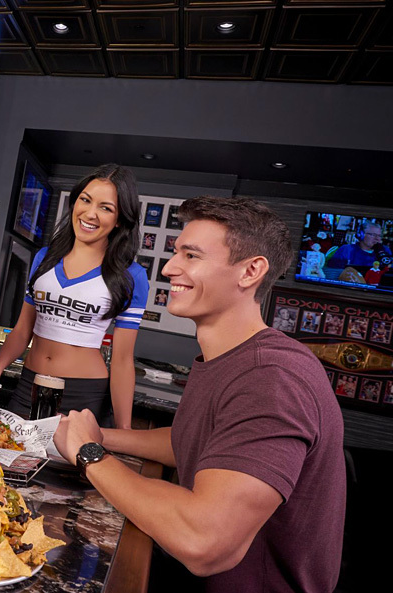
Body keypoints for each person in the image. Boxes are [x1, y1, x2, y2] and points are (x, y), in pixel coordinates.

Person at [54, 196, 346, 592]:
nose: (171, 267)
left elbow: (205, 542)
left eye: (191, 255)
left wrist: (90, 454)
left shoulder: (272, 377)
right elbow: (197, 441)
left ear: (250, 272)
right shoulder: (231, 358)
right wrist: (101, 436)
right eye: (176, 252)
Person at [0, 164, 148, 428]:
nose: (90, 213)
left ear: (119, 219)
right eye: (85, 200)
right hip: (29, 384)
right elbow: (23, 330)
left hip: (83, 393)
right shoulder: (44, 258)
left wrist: (124, 431)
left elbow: (123, 360)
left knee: (62, 469)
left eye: (106, 208)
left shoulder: (131, 276)